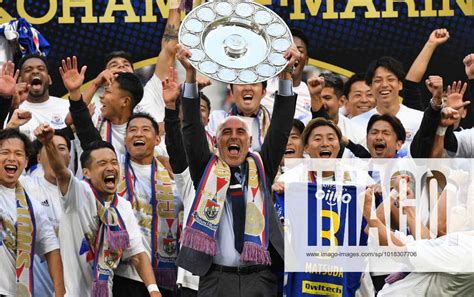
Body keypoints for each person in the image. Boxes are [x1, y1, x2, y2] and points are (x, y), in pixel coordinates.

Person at [175, 43, 299, 296]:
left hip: (260, 279)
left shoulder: (262, 166)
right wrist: (189, 76)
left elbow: (281, 127)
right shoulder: (205, 169)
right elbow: (190, 129)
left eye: (240, 132)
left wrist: (285, 75)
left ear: (250, 142)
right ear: (216, 142)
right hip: (216, 279)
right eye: (226, 133)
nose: (234, 137)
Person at [59, 58, 178, 296]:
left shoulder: (162, 157)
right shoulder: (104, 148)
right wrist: (75, 93)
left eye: (108, 91)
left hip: (163, 263)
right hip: (119, 266)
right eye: (133, 131)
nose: (101, 97)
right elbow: (83, 127)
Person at [36, 122, 162, 297]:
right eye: (102, 163)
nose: (110, 168)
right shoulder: (79, 193)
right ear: (86, 172)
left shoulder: (123, 207)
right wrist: (48, 143)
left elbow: (137, 254)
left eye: (113, 162)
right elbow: (61, 172)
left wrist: (153, 290)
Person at [0, 128, 65, 296]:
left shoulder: (33, 207)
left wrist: (60, 293)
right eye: (5, 152)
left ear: (26, 161)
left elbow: (51, 248)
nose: (12, 158)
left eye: (18, 154)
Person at [351, 56, 423, 157]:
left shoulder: (420, 119)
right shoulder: (354, 124)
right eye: (378, 80)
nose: (384, 85)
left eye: (390, 79)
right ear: (370, 87)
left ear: (400, 84)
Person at [261, 27, 312, 121]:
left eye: (299, 51)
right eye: (288, 50)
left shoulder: (311, 94)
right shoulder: (263, 87)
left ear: (307, 60)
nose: (294, 54)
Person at [15, 54, 70, 140]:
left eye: (41, 69)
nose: (35, 72)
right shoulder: (12, 110)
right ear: (20, 81)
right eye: (28, 70)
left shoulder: (68, 106)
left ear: (49, 79)